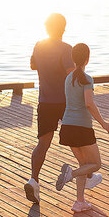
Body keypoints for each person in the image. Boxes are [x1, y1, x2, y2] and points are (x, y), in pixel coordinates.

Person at [56, 42, 109, 212]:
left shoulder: (68, 78)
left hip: (67, 127)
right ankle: (70, 174)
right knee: (95, 164)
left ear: (73, 58)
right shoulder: (87, 79)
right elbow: (89, 104)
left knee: (83, 164)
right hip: (81, 128)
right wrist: (104, 124)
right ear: (87, 58)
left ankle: (79, 202)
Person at [25, 13, 74, 204]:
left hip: (44, 102)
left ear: (47, 28)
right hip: (64, 102)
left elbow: (32, 65)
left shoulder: (39, 46)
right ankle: (86, 176)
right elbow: (71, 76)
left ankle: (34, 180)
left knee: (43, 144)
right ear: (63, 28)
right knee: (78, 138)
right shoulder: (66, 48)